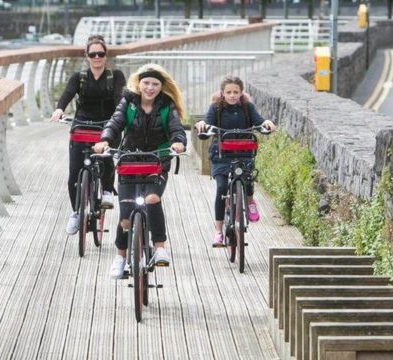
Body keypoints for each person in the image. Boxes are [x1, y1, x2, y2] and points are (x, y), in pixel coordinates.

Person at [93, 63, 187, 279]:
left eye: (155, 84)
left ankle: (160, 248)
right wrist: (105, 140)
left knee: (152, 199)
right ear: (139, 83)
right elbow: (115, 123)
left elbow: (176, 129)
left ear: (161, 87)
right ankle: (120, 257)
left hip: (157, 160)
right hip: (129, 161)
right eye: (146, 83)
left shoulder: (166, 106)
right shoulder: (128, 102)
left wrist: (178, 143)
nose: (150, 88)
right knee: (126, 214)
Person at [50, 35, 127, 236]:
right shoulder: (79, 78)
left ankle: (108, 190)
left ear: (105, 55)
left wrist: (121, 117)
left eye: (100, 54)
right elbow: (67, 94)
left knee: (107, 158)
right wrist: (59, 109)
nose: (97, 57)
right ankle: (76, 213)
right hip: (82, 125)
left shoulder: (116, 76)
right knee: (74, 175)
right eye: (93, 54)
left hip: (107, 125)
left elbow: (120, 98)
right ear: (87, 56)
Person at [194, 75, 276, 246]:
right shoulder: (215, 108)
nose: (232, 95)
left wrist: (266, 123)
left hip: (244, 151)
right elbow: (207, 123)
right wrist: (202, 125)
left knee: (247, 179)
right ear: (222, 93)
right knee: (222, 188)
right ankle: (218, 231)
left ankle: (250, 201)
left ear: (241, 93)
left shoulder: (247, 107)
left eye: (235, 92)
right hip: (222, 154)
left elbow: (259, 121)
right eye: (229, 92)